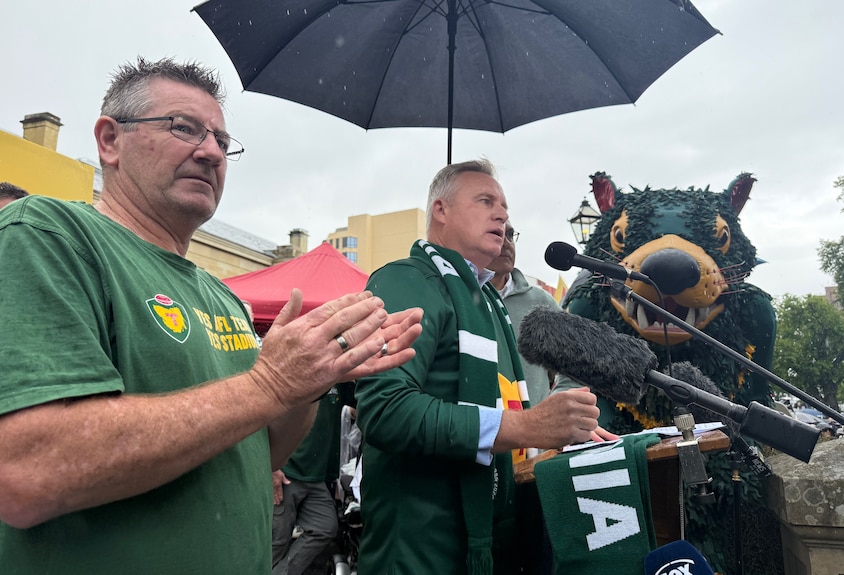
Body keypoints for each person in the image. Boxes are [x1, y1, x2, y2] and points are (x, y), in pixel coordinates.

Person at [0, 57, 422, 575]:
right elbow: (28, 472)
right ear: (110, 140)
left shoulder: (219, 296)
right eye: (183, 128)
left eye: (223, 142)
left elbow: (255, 457)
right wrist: (269, 383)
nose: (210, 152)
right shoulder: (46, 235)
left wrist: (308, 382)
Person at [355, 159, 610, 575]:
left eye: (505, 207)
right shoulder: (405, 281)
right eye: (485, 201)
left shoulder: (489, 302)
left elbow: (507, 416)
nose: (502, 215)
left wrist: (561, 434)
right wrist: (528, 428)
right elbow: (386, 412)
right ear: (440, 210)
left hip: (486, 544)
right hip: (418, 551)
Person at [271, 381, 353, 574]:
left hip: (317, 477)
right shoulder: (297, 375)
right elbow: (268, 417)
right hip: (288, 473)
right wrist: (272, 467)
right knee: (276, 543)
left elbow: (361, 402)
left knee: (325, 526)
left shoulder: (339, 380)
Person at [488, 222, 561, 406]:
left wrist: (556, 405)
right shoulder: (455, 299)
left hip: (541, 433)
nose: (506, 243)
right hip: (477, 431)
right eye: (496, 234)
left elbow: (578, 364)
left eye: (511, 235)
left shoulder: (542, 302)